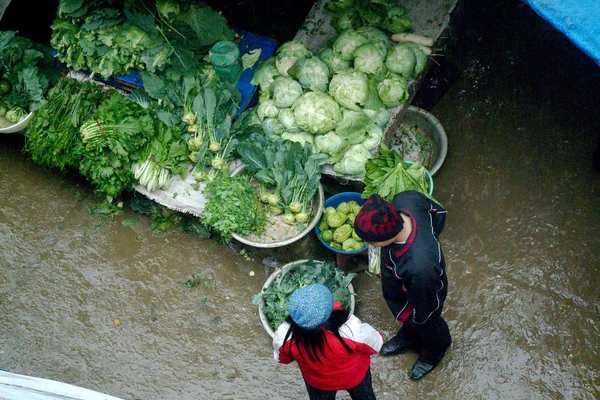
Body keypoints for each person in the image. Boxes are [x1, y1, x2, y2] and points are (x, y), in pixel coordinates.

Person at [353, 191, 451, 381]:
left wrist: (430, 242)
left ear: (388, 236)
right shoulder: (405, 199)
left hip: (423, 292)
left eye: (370, 241)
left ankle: (433, 352)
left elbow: (426, 304)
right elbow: (437, 214)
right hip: (400, 275)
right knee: (407, 316)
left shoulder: (421, 267)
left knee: (425, 320)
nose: (366, 244)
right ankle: (409, 335)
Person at [273, 283, 384, 400]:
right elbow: (376, 343)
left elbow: (282, 359)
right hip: (355, 376)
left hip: (318, 383)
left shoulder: (284, 335)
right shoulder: (350, 329)